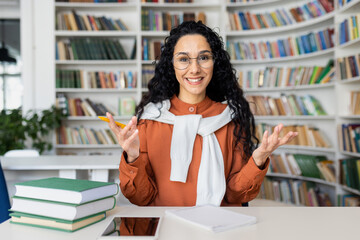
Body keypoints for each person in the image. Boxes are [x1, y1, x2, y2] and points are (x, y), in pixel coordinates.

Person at [107, 21, 297, 206]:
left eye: (204, 57)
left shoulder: (230, 119)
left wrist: (258, 159)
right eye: (183, 59)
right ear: (171, 65)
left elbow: (235, 195)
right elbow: (141, 198)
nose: (195, 68)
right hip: (166, 229)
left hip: (219, 229)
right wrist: (132, 157)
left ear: (215, 63)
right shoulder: (150, 120)